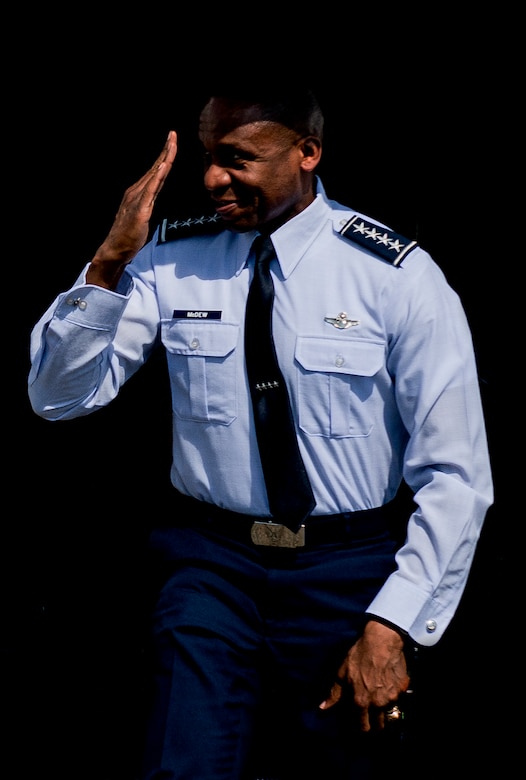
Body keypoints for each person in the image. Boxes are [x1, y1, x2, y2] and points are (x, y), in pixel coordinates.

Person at [28, 85, 493, 780]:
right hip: (212, 568)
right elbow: (59, 397)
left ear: (307, 153)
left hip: (349, 573)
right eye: (210, 158)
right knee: (183, 766)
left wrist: (393, 624)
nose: (214, 178)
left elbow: (456, 477)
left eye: (239, 158)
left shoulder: (396, 278)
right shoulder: (167, 259)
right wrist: (108, 263)